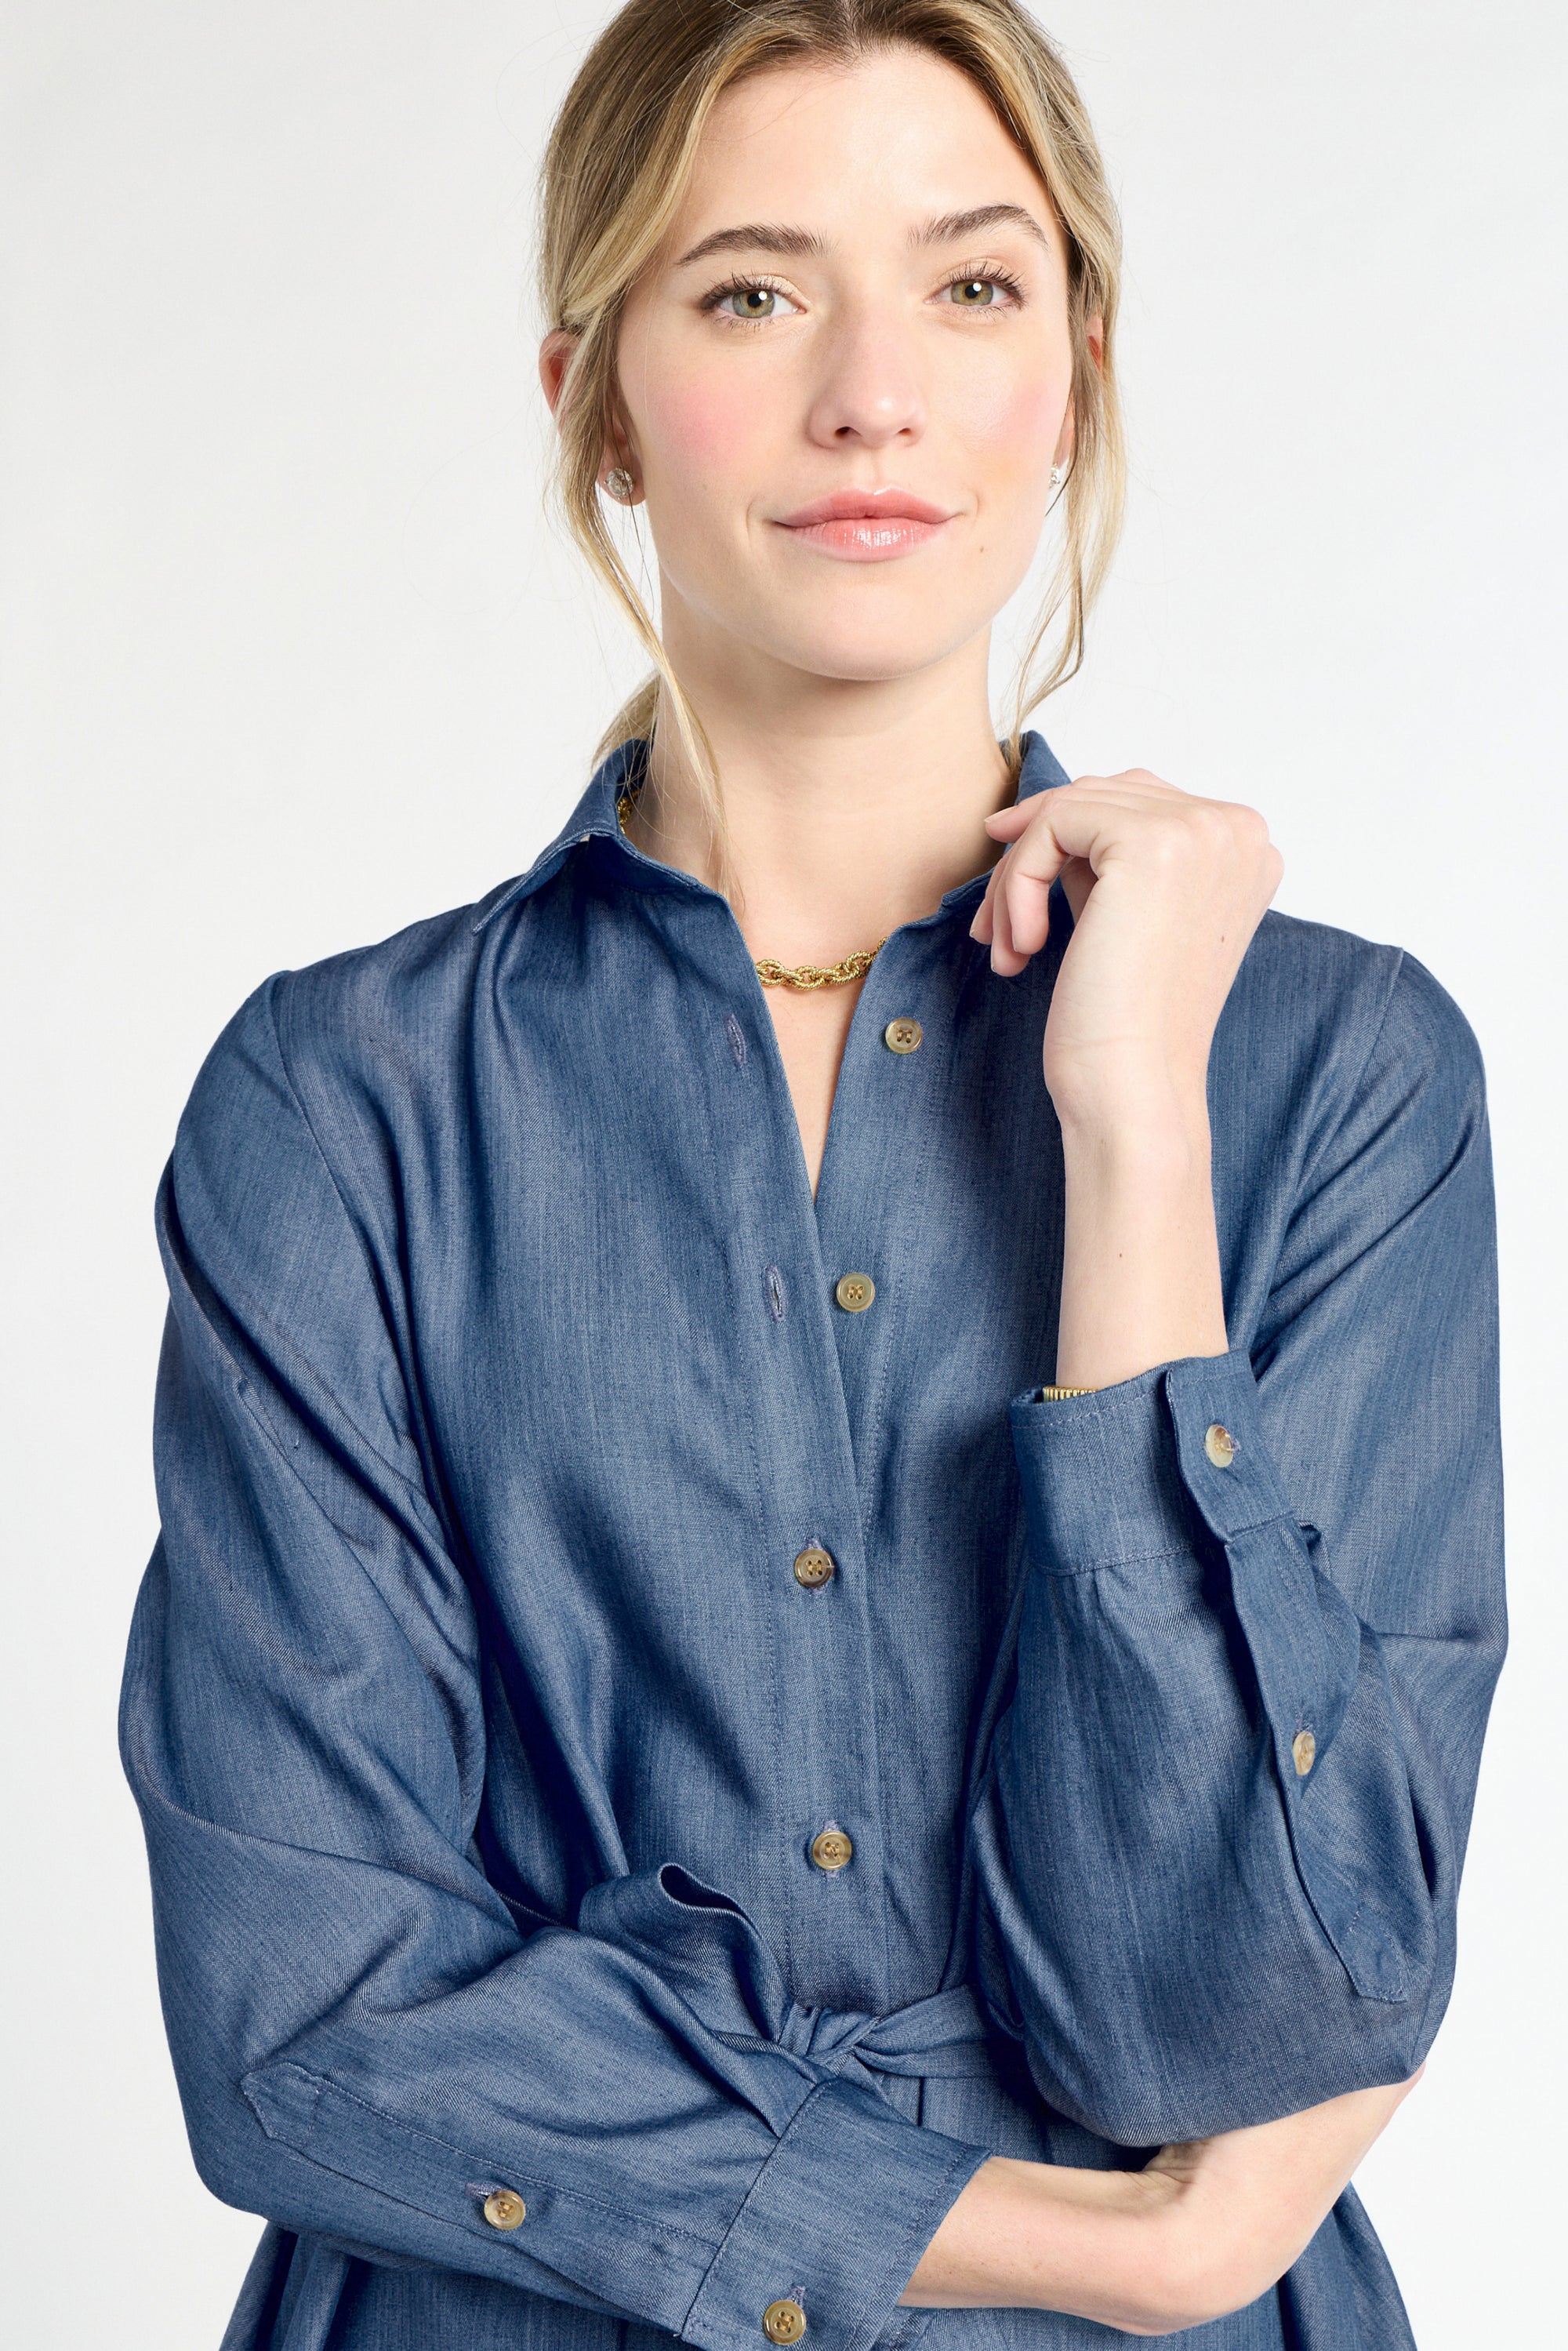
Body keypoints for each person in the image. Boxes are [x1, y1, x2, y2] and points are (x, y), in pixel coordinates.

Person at [118, 4, 1504, 2347]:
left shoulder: (1334, 1074)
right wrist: (1128, 2245)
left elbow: (1229, 2007)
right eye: (752, 289)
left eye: (968, 287)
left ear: (1068, 365)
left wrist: (1134, 1135)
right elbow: (305, 2011)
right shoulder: (338, 1103)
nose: (873, 392)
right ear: (594, 395)